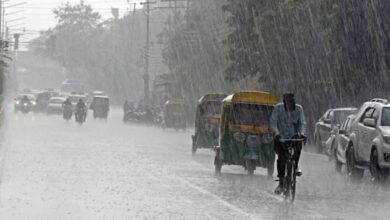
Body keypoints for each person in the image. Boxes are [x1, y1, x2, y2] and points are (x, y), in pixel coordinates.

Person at [270, 93, 306, 195]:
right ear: (284, 102)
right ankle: (281, 183)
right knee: (281, 159)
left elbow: (302, 123)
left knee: (298, 146)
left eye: (292, 102)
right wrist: (276, 133)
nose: (290, 104)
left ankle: (295, 166)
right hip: (281, 137)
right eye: (288, 102)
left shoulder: (299, 109)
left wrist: (302, 133)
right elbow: (273, 122)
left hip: (293, 136)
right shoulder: (278, 108)